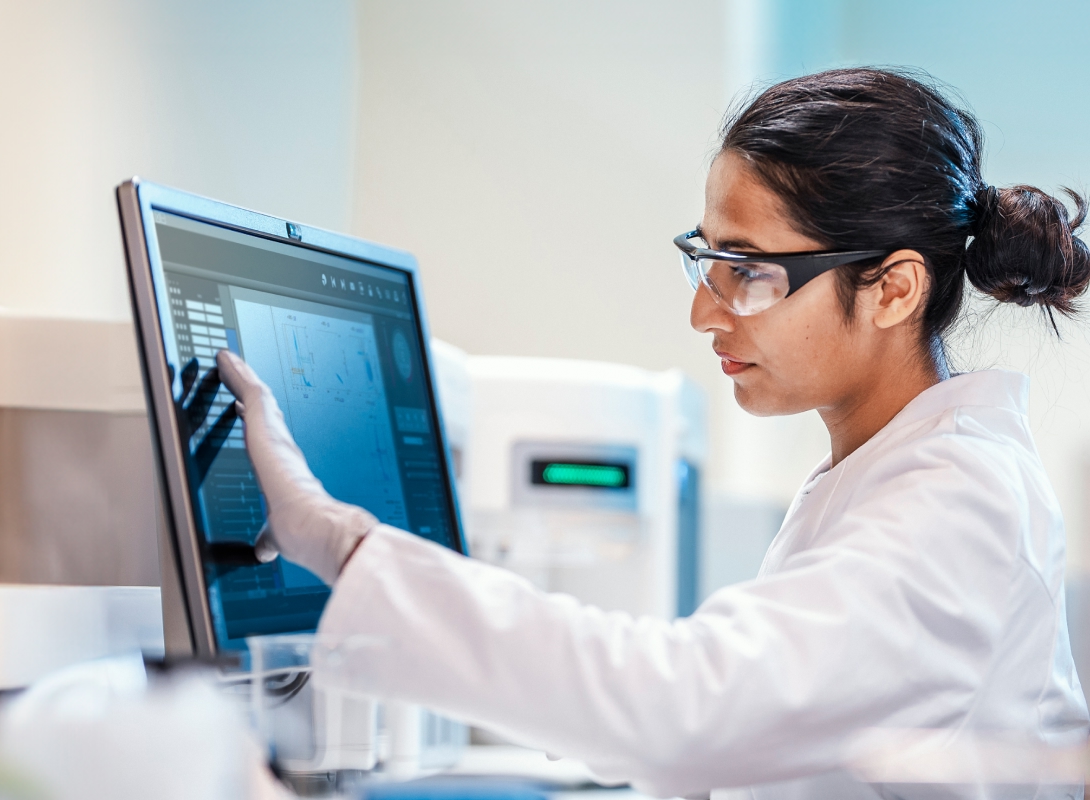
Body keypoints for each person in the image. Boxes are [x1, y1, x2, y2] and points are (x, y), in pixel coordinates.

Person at [216, 68, 1090, 799]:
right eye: (705, 260)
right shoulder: (886, 473)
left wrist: (343, 543)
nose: (704, 312)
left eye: (748, 270)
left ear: (894, 290)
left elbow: (688, 709)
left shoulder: (958, 501)